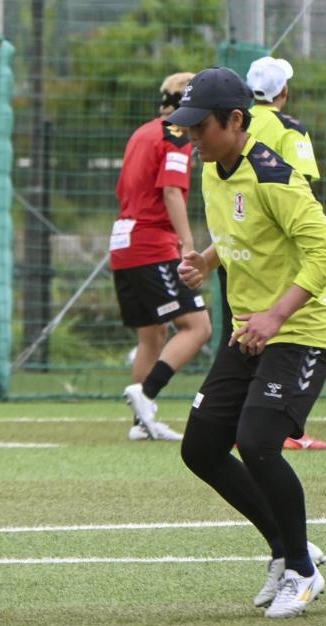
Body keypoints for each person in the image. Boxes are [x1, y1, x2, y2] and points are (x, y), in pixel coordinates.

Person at [170, 67, 326, 619]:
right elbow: (237, 232)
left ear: (236, 121)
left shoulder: (275, 177)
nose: (191, 138)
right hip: (250, 332)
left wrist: (275, 315)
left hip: (299, 333)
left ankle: (304, 572)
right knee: (199, 448)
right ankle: (288, 549)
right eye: (187, 127)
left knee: (258, 441)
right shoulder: (214, 171)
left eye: (200, 127)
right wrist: (206, 260)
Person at [115, 72, 212, 441]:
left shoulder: (141, 132)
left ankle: (143, 424)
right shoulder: (176, 135)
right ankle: (146, 393)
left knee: (152, 335)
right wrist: (188, 244)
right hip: (151, 245)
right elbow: (171, 190)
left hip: (122, 243)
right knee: (199, 326)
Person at [245, 55, 326, 450]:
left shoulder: (236, 122)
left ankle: (249, 421)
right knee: (300, 326)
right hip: (283, 247)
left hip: (242, 243)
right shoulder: (289, 127)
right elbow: (302, 188)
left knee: (247, 328)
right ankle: (287, 426)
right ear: (284, 91)